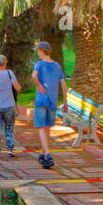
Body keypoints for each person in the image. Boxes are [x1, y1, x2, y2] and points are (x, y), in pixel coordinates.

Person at [30, 40, 68, 169]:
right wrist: (65, 102)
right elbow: (63, 84)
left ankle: (48, 156)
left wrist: (39, 85)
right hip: (52, 101)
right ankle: (42, 154)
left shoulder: (39, 64)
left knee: (41, 127)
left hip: (41, 100)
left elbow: (33, 75)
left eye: (38, 51)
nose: (38, 54)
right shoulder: (57, 65)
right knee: (47, 129)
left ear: (41, 51)